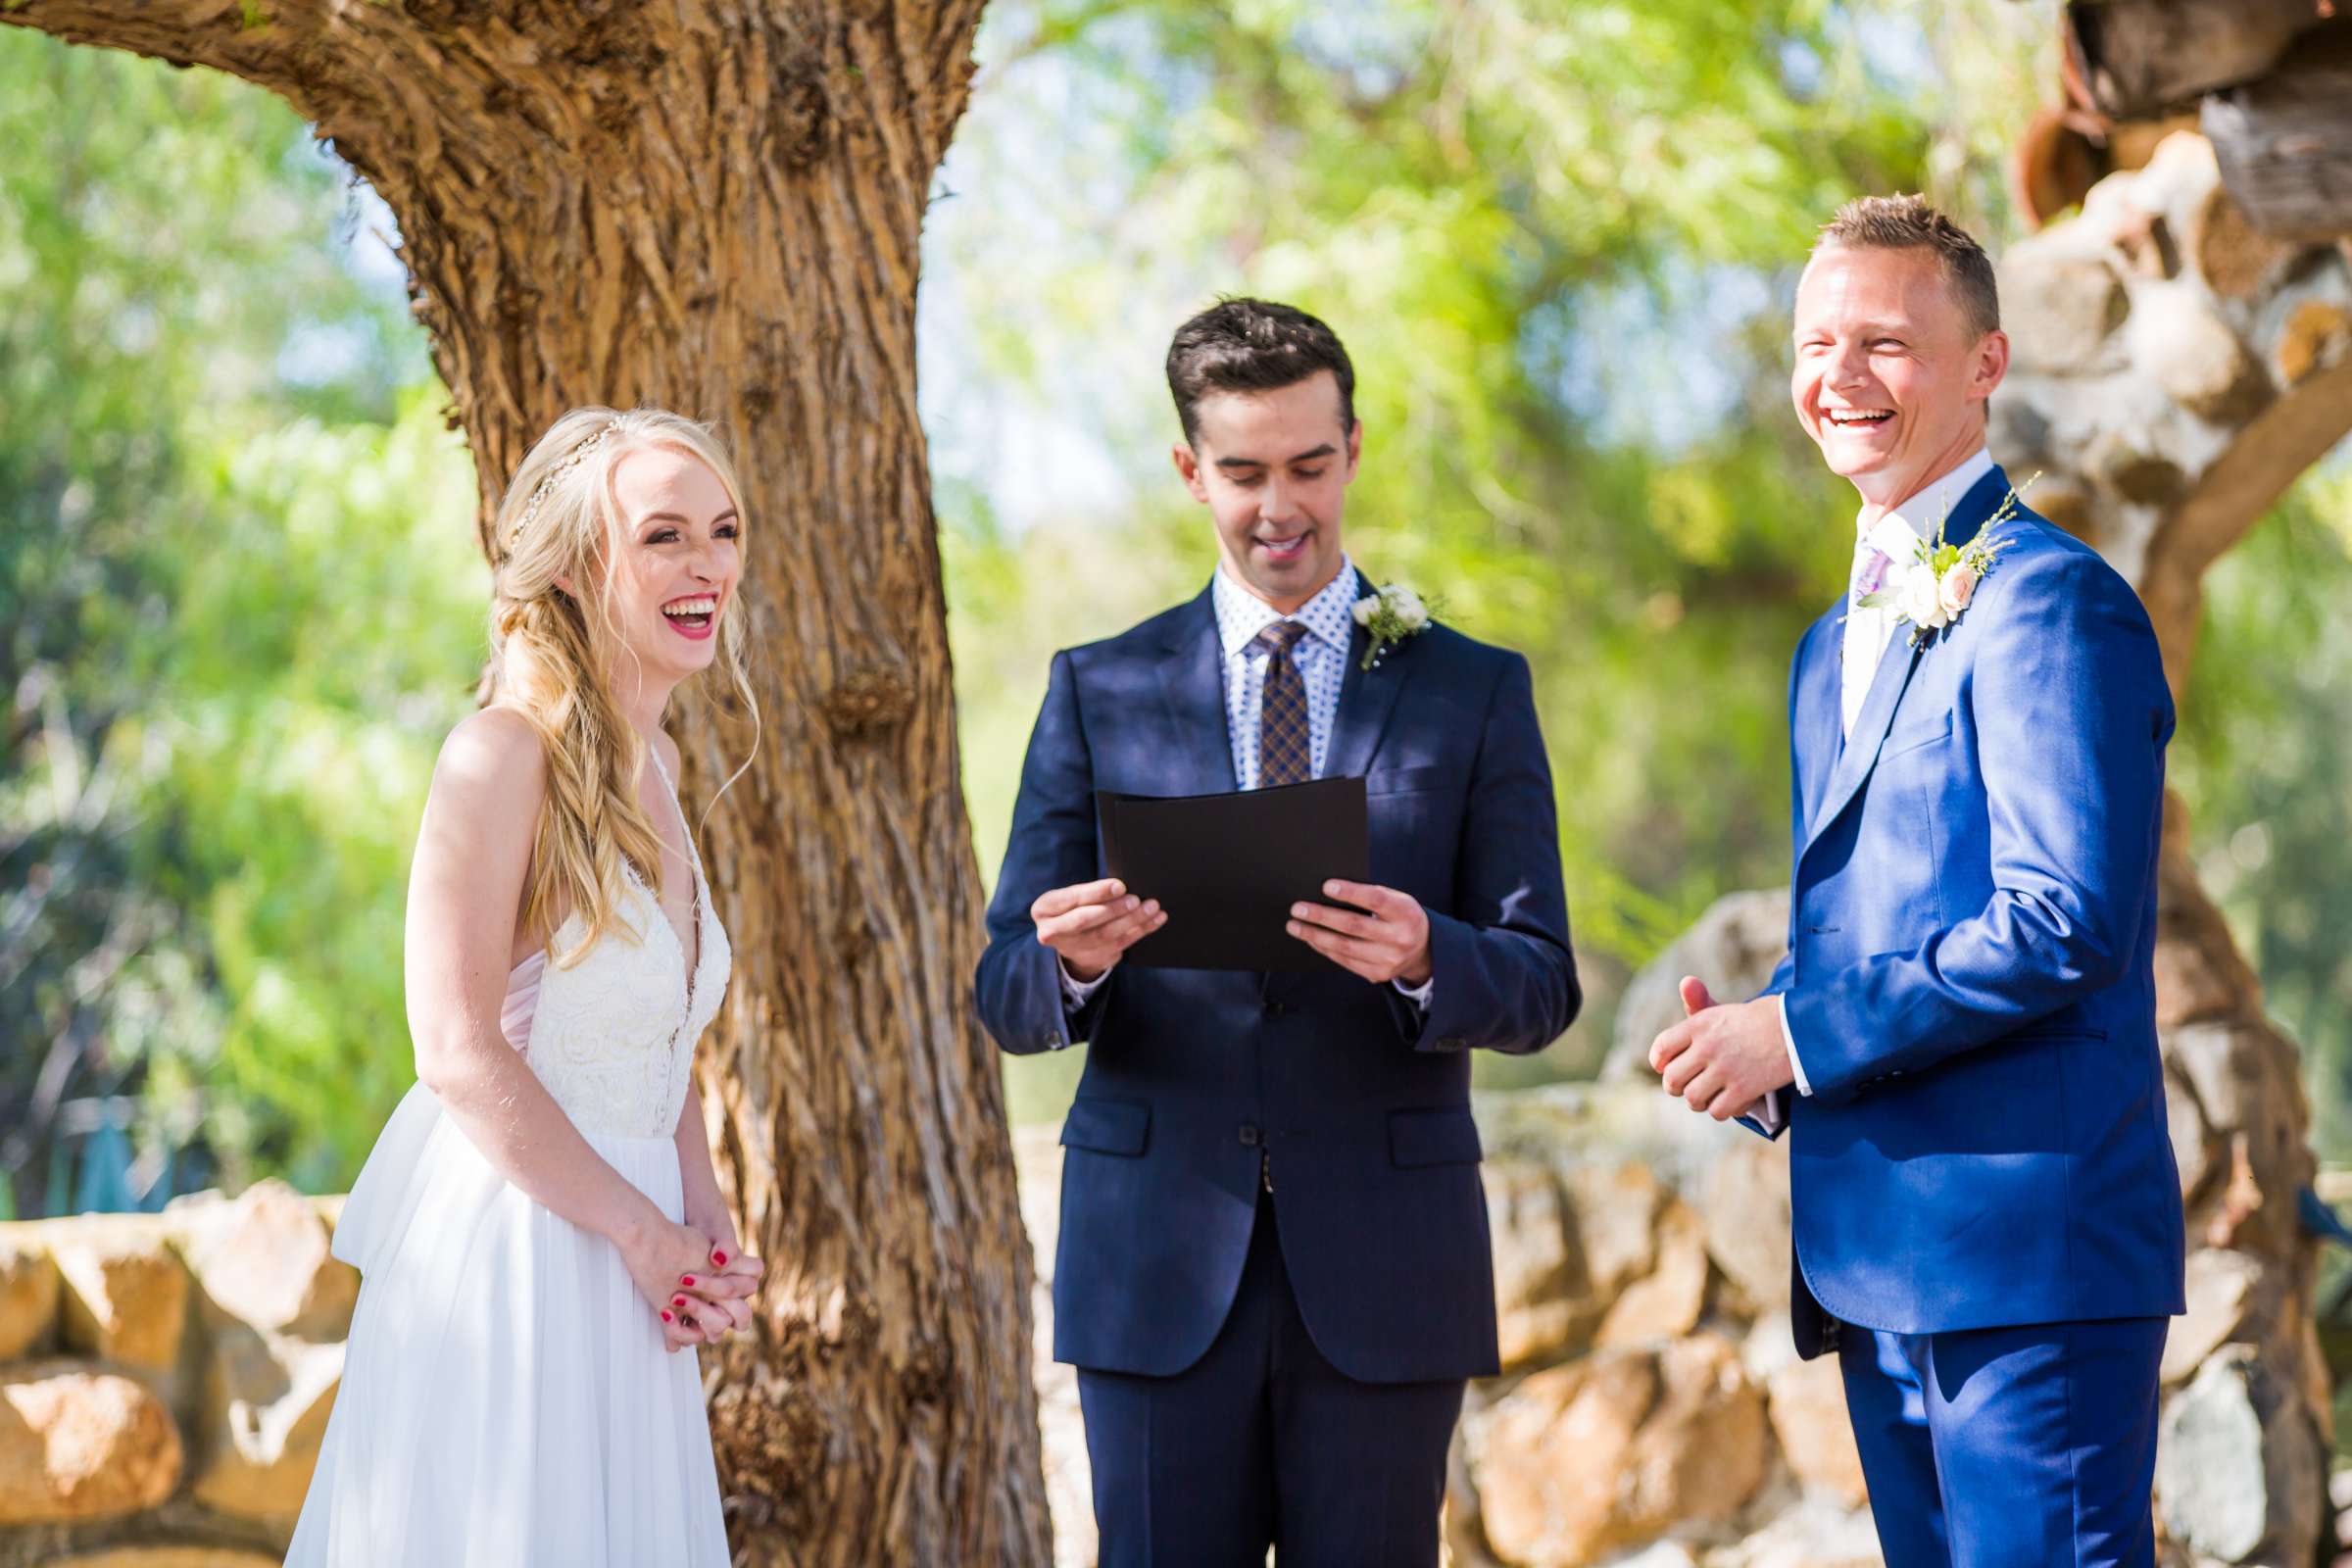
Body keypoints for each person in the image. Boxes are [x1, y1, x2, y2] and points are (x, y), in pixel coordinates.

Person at [974, 298, 1580, 1567]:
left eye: (1309, 466)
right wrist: (1073, 962)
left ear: (1353, 448)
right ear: (1191, 469)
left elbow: (1542, 985)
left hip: (1385, 1268)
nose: (1280, 507)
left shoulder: (1473, 688)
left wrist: (1429, 955)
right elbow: (1003, 985)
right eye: (1244, 472)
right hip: (1152, 1269)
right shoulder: (1098, 686)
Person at [1647, 196, 2182, 1567]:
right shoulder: (1827, 648)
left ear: (1986, 364)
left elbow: (2064, 922)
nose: (1840, 376)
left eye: (1885, 341)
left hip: (2027, 1263)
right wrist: (1766, 1048)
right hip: (1879, 1257)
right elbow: (1885, 915)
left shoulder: (2049, 601)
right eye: (1815, 342)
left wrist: (1802, 1032)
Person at [287, 407, 768, 1565]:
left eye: (723, 530)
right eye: (663, 536)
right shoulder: (501, 754)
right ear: (575, 565)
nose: (706, 564)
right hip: (522, 1261)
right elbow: (454, 1045)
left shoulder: (655, 766)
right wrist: (639, 1232)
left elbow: (657, 1033)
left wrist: (697, 1213)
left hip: (635, 1264)